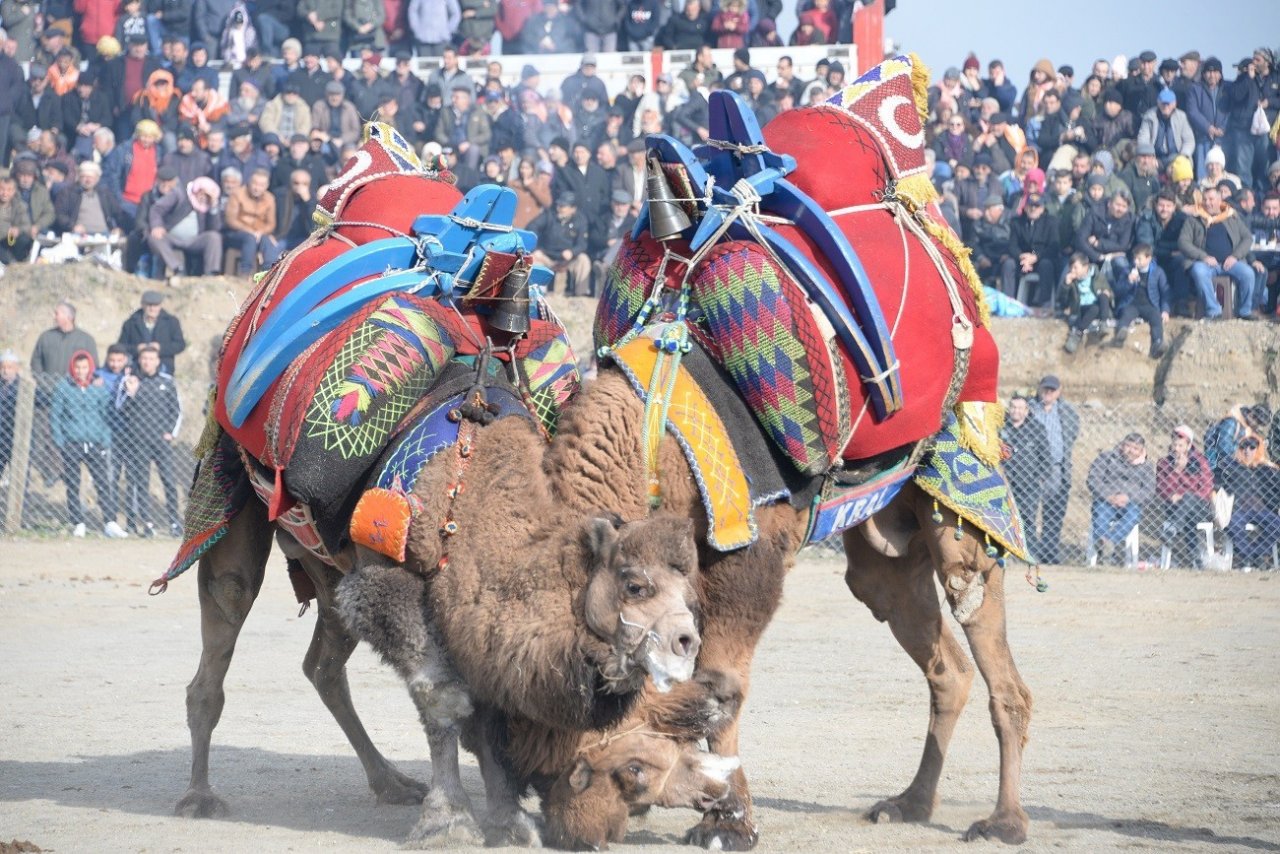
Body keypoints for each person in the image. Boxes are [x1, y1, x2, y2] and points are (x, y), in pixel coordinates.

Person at [50, 350, 128, 538]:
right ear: (72, 368)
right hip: (72, 443)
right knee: (73, 484)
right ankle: (78, 522)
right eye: (77, 367)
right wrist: (60, 441)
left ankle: (110, 522)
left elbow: (106, 415)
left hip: (95, 443)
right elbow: (55, 415)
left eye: (84, 367)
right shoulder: (63, 388)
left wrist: (104, 440)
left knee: (103, 483)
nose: (81, 371)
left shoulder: (97, 389)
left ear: (90, 368)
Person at [118, 343, 181, 537]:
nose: (147, 362)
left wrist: (170, 432)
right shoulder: (130, 381)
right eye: (144, 359)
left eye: (151, 359)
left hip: (161, 442)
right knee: (140, 483)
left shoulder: (167, 381)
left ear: (158, 361)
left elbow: (176, 410)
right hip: (138, 442)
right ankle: (147, 523)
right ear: (139, 360)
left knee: (169, 481)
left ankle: (174, 522)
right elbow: (120, 409)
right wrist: (132, 393)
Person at [1178, 185, 1257, 319]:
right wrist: (1203, 257)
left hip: (1230, 262)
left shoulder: (1231, 216)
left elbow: (1247, 238)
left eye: (1211, 199)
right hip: (1205, 263)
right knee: (1198, 271)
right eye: (1205, 199)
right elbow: (1183, 242)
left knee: (1248, 273)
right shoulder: (1194, 219)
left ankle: (1245, 311)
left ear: (1220, 200)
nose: (1208, 203)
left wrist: (1235, 256)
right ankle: (1214, 311)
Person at [1028, 375, 1079, 564]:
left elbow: (1072, 433)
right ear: (1039, 388)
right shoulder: (1030, 408)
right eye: (1045, 389)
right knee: (1028, 511)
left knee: (1054, 512)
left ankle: (1049, 553)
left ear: (1059, 391)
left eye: (1052, 390)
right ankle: (1030, 552)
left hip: (1057, 469)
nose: (1048, 393)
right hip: (1032, 470)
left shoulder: (1066, 412)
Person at [1086, 432, 1155, 564]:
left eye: (1135, 449)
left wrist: (1129, 497)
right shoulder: (1106, 458)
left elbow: (1149, 491)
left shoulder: (1147, 466)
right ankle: (1104, 545)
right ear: (1122, 445)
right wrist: (1109, 496)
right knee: (1100, 513)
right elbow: (1093, 480)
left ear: (1142, 451)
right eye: (1128, 446)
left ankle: (1108, 542)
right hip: (1106, 501)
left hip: (1130, 503)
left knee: (1133, 515)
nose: (1130, 451)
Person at [1219, 435, 1280, 570]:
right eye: (1243, 447)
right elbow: (1218, 476)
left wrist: (1271, 467)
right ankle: (1247, 556)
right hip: (1239, 509)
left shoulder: (1265, 468)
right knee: (1233, 525)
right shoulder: (1232, 466)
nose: (1247, 450)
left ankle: (1258, 555)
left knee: (1276, 524)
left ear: (1257, 449)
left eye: (1252, 447)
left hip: (1262, 509)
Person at [1156, 424, 1214, 568]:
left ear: (1189, 446)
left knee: (1188, 499)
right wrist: (1177, 470)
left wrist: (1185, 497)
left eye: (1181, 445)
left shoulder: (1200, 462)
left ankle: (1172, 530)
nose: (1176, 449)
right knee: (1188, 517)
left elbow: (1206, 489)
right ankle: (1197, 560)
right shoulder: (1164, 463)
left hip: (1199, 506)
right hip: (1174, 509)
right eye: (1174, 444)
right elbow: (1162, 490)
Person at [1001, 392, 1049, 542]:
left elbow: (1045, 456)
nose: (1016, 411)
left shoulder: (1036, 429)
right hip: (1004, 483)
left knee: (1027, 518)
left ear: (1027, 410)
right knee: (1004, 518)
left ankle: (1030, 553)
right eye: (1013, 407)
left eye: (1020, 408)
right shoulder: (1000, 428)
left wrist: (1040, 477)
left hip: (1029, 484)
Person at [1111, 243, 1169, 358]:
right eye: (1135, 258)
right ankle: (1121, 333)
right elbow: (1118, 291)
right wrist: (1129, 281)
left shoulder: (1158, 272)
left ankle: (1158, 342)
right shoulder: (1127, 271)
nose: (1136, 262)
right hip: (1132, 303)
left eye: (1139, 259)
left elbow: (1165, 292)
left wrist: (1165, 310)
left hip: (1150, 304)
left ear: (1149, 258)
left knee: (1156, 319)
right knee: (1126, 314)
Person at [529, 191, 590, 297]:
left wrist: (572, 252)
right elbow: (532, 227)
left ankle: (581, 295)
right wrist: (536, 248)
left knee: (584, 260)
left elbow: (582, 244)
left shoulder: (581, 220)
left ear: (573, 208)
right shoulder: (549, 214)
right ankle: (536, 295)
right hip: (546, 256)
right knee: (532, 260)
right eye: (558, 205)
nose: (559, 208)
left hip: (567, 259)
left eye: (563, 206)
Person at [116, 289, 188, 376]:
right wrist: (136, 348)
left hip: (163, 369)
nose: (152, 308)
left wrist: (160, 347)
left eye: (156, 305)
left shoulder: (171, 322)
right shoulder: (130, 323)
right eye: (149, 305)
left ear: (160, 305)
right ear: (142, 304)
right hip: (136, 370)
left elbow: (180, 345)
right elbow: (120, 347)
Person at [224, 167, 279, 275]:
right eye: (255, 183)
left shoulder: (270, 198)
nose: (257, 188)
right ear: (249, 182)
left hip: (259, 233)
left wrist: (260, 232)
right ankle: (246, 273)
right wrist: (251, 232)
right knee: (249, 238)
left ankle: (268, 273)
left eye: (261, 185)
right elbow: (230, 220)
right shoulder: (237, 194)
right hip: (237, 233)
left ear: (266, 186)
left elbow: (271, 224)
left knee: (268, 241)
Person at [1009, 190, 1060, 306]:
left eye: (1037, 206)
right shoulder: (1017, 222)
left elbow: (1054, 247)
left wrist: (1035, 257)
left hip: (1042, 259)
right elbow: (1012, 245)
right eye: (1031, 206)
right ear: (1026, 207)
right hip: (1022, 259)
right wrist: (1021, 257)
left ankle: (1045, 304)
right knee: (1008, 264)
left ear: (1042, 208)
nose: (1033, 209)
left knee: (1046, 264)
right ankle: (1009, 301)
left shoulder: (1051, 222)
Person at [1059, 251, 1113, 353]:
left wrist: (1107, 292)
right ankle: (1077, 333)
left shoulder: (1097, 275)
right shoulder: (1070, 280)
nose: (1072, 271)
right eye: (1071, 268)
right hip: (1081, 308)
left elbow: (1109, 291)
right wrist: (1066, 285)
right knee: (1094, 309)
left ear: (1085, 267)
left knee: (1103, 296)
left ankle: (1103, 324)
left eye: (1075, 267)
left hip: (1099, 307)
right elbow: (1063, 301)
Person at [1206, 403, 1271, 476]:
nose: (1258, 427)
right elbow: (1223, 449)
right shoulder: (1232, 422)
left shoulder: (1246, 427)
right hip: (1215, 464)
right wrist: (1238, 466)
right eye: (1259, 423)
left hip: (1231, 463)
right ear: (1251, 415)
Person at [0, 350, 21, 483]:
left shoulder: (23, 386)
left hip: (16, 437)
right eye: (3, 367)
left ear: (16, 369)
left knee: (18, 475)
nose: (5, 371)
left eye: (9, 367)